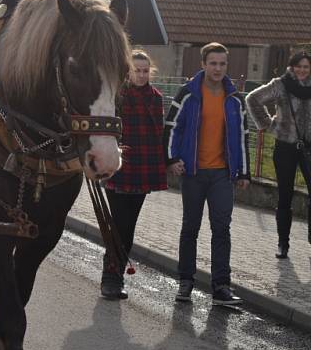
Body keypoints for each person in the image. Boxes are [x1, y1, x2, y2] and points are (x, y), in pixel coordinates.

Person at [164, 42, 250, 306]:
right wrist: (172, 159)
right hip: (193, 173)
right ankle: (186, 281)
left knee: (222, 229)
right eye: (213, 63)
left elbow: (243, 137)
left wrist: (244, 172)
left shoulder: (235, 100)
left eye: (222, 64)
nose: (218, 68)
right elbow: (171, 127)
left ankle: (221, 286)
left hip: (222, 175)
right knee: (191, 227)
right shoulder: (188, 94)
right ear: (203, 64)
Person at [100, 50, 167, 300]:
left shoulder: (156, 98)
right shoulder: (117, 96)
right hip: (118, 168)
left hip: (143, 169)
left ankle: (114, 275)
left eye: (145, 70)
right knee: (118, 225)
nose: (141, 75)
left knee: (129, 227)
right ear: (128, 72)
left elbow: (159, 135)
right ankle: (110, 277)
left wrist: (167, 162)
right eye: (136, 70)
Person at [245, 51, 311, 259]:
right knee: (285, 196)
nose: (302, 70)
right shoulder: (280, 84)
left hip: (309, 147)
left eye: (306, 66)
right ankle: (283, 243)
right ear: (291, 67)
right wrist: (268, 125)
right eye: (298, 66)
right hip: (285, 147)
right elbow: (253, 99)